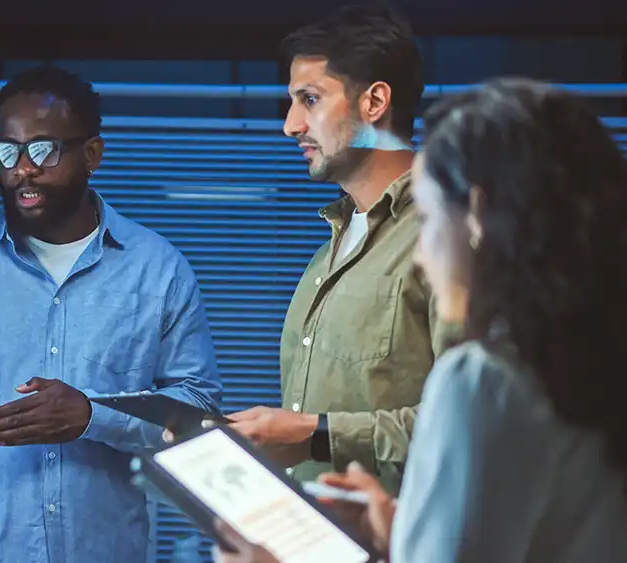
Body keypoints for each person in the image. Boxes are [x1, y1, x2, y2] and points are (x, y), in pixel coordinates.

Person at [215, 78, 627, 562]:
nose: (423, 257)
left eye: (428, 220)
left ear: (476, 216)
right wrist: (403, 537)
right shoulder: (594, 362)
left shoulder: (483, 378)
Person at [0, 66, 222, 563]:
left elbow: (196, 408)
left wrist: (93, 414)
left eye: (43, 150)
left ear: (92, 153)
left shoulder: (157, 271)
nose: (22, 168)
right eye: (7, 150)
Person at [215, 5, 461, 492]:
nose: (290, 125)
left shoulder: (447, 237)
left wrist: (316, 434)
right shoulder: (333, 242)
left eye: (309, 99)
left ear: (374, 103)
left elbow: (472, 424)